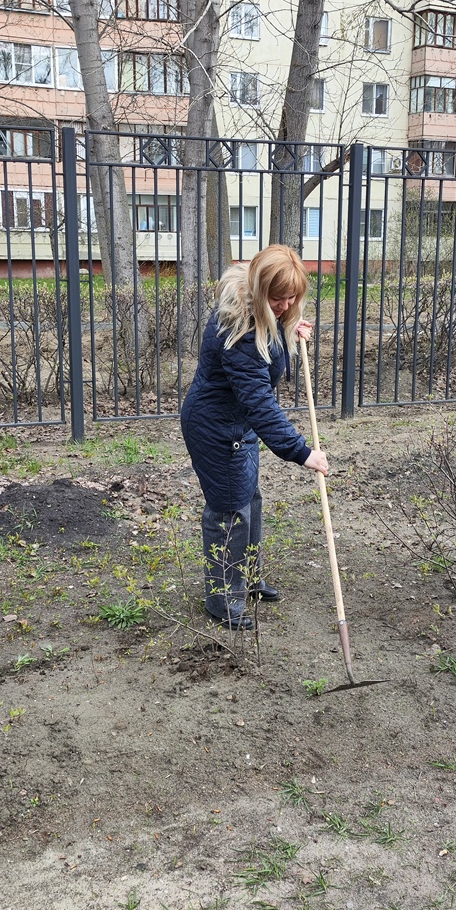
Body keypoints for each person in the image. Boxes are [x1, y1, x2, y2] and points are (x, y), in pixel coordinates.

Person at [181, 244, 329, 631]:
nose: (286, 305)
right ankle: (223, 600)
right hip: (216, 427)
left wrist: (288, 327)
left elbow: (269, 336)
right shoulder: (240, 330)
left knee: (250, 498)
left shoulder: (260, 312)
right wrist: (301, 452)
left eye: (292, 298)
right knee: (230, 508)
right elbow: (260, 402)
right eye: (278, 298)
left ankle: (246, 578)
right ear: (260, 290)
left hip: (236, 422)